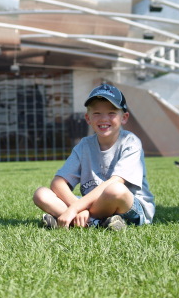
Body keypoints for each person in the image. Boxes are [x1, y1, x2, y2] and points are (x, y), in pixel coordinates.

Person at [33, 83, 155, 230]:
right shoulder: (84, 145)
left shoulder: (130, 142)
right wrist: (79, 208)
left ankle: (73, 219)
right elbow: (58, 182)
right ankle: (97, 222)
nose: (104, 119)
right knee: (41, 194)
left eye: (111, 113)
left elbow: (115, 183)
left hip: (129, 206)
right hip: (92, 206)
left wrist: (73, 209)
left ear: (124, 117)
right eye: (97, 113)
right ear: (88, 118)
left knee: (115, 190)